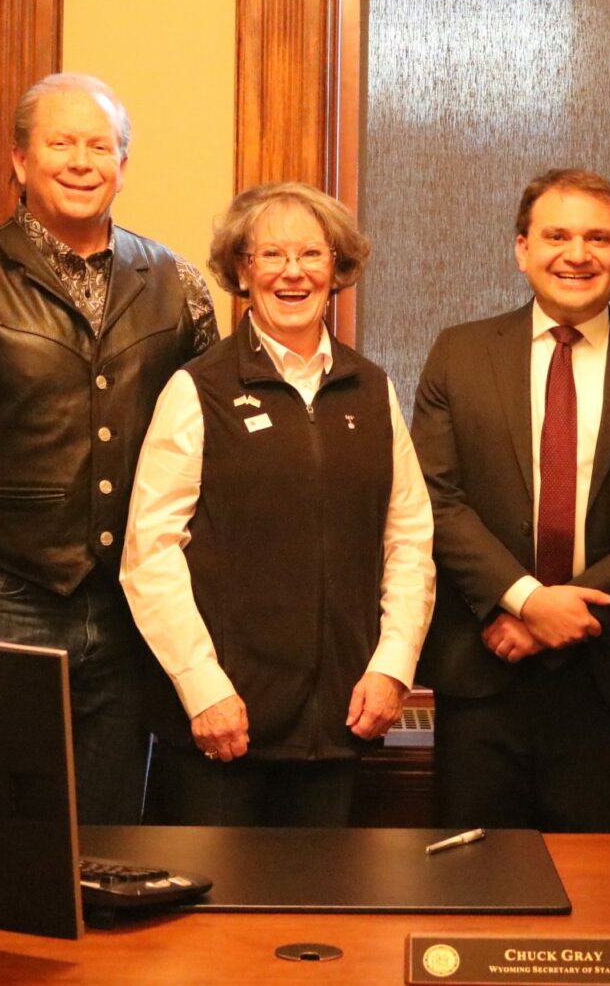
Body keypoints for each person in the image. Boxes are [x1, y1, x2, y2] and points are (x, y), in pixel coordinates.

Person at [0, 72, 216, 824]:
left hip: (129, 619)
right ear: (20, 161)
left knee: (113, 850)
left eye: (102, 146)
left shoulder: (180, 285)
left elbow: (208, 461)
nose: (83, 162)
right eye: (62, 143)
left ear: (123, 165)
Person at [121, 183, 434, 826]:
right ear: (244, 269)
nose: (293, 272)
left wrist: (393, 667)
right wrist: (202, 689)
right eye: (271, 255)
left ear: (337, 269)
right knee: (210, 922)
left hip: (342, 723)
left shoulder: (372, 390)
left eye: (312, 255)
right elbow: (149, 553)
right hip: (222, 728)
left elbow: (408, 540)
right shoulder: (198, 389)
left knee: (321, 918)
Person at [411, 169, 610, 833]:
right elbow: (436, 498)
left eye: (599, 238)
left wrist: (562, 612)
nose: (577, 254)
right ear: (522, 248)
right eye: (557, 235)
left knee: (603, 895)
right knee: (472, 884)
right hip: (486, 662)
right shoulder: (458, 355)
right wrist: (523, 599)